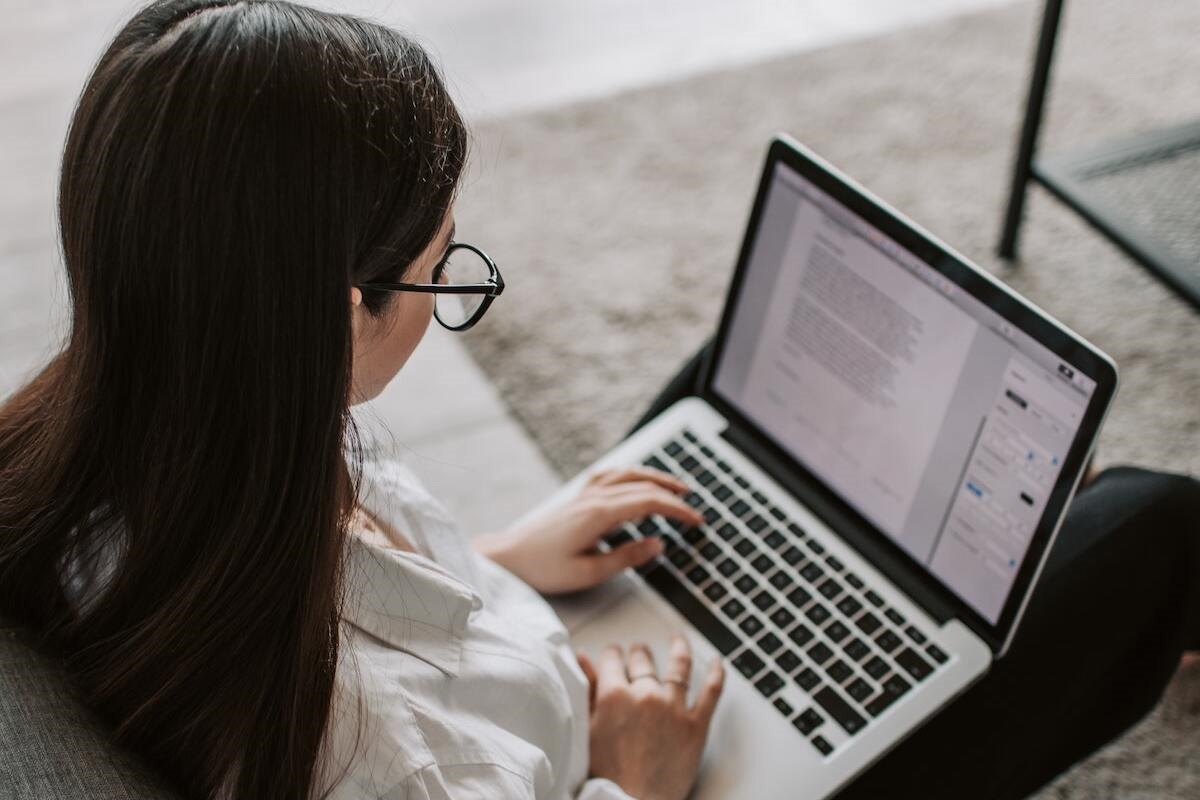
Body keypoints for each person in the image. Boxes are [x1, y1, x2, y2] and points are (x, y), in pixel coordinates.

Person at [0, 2, 1196, 799]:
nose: (449, 286)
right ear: (331, 312)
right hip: (619, 755)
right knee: (1154, 521)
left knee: (735, 405)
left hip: (520, 646)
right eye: (441, 266)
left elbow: (338, 597)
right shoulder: (383, 758)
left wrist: (498, 561)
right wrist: (632, 778)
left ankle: (973, 516)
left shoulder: (122, 443)